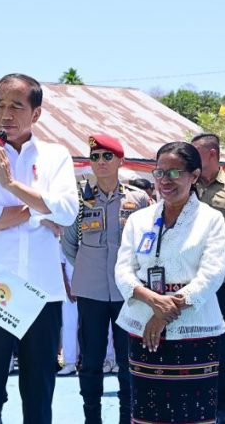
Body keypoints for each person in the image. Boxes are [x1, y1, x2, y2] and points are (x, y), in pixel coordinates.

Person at [0, 73, 79, 424]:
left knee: (39, 390)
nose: (6, 114)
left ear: (36, 113)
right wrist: (32, 210)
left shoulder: (55, 156)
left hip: (42, 291)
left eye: (16, 106)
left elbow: (67, 212)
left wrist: (11, 185)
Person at [115, 141, 225, 424]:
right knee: (147, 411)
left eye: (175, 173)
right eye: (160, 172)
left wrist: (165, 312)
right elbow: (123, 269)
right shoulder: (139, 219)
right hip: (142, 323)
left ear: (194, 175)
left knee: (193, 412)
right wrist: (152, 301)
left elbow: (211, 275)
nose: (165, 180)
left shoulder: (211, 220)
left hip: (195, 328)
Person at [61, 134, 150, 423]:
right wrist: (89, 267)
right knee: (91, 360)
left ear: (120, 161)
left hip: (129, 292)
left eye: (107, 156)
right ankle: (92, 418)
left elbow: (147, 243)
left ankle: (128, 417)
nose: (100, 162)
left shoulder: (138, 199)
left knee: (128, 360)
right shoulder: (79, 200)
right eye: (95, 157)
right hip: (91, 290)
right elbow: (70, 244)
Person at [191, 132, 225, 424]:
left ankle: (223, 404)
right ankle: (197, 397)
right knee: (195, 341)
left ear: (212, 153)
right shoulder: (188, 187)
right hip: (193, 282)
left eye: (196, 154)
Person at [58, 249, 79, 377]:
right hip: (69, 290)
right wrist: (67, 287)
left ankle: (108, 360)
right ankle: (70, 362)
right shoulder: (65, 239)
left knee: (94, 328)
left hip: (91, 288)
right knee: (69, 326)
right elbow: (60, 265)